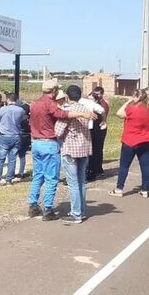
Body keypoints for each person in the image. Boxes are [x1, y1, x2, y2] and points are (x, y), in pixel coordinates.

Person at [28, 80, 94, 221]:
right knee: (52, 178)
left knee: (38, 175)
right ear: (53, 91)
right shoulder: (50, 104)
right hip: (49, 142)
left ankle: (33, 204)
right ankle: (48, 208)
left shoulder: (34, 104)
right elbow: (63, 115)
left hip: (36, 142)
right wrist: (82, 114)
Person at [109, 89, 149, 199]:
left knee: (124, 166)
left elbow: (119, 114)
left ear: (136, 97)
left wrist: (127, 102)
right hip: (147, 141)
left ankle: (119, 189)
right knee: (145, 165)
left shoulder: (131, 108)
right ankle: (145, 189)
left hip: (129, 140)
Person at [55, 85, 92, 224]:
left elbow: (58, 131)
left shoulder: (68, 111)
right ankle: (81, 211)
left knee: (73, 183)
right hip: (84, 148)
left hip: (70, 148)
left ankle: (76, 214)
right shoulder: (85, 109)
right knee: (81, 181)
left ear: (67, 96)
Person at [0, 93, 27, 186]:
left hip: (4, 136)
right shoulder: (21, 110)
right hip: (16, 135)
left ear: (8, 100)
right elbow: (24, 121)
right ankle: (9, 180)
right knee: (12, 159)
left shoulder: (3, 109)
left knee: (1, 159)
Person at [86, 87, 109, 181]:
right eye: (95, 94)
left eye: (98, 94)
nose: (96, 95)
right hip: (94, 129)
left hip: (100, 129)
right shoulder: (93, 103)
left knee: (97, 150)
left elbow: (102, 112)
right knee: (93, 151)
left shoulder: (103, 104)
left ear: (102, 94)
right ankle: (96, 169)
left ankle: (97, 170)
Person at [17, 101, 31, 180]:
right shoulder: (30, 118)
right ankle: (21, 172)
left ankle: (12, 172)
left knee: (14, 155)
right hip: (27, 137)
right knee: (22, 155)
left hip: (20, 136)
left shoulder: (20, 118)